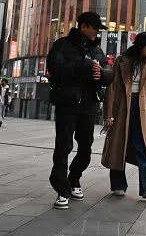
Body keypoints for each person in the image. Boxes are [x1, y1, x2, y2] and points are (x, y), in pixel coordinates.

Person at [46, 11, 113, 210]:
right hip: (67, 104)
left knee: (86, 148)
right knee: (63, 147)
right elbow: (54, 69)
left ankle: (74, 179)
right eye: (94, 29)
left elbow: (109, 75)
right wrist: (80, 67)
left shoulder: (97, 50)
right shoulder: (62, 45)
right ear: (83, 26)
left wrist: (102, 73)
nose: (96, 33)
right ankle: (62, 190)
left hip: (89, 105)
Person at [101, 32, 146, 198]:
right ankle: (118, 184)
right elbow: (112, 88)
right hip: (122, 107)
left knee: (141, 145)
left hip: (142, 107)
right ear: (140, 46)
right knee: (118, 144)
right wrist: (108, 114)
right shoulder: (121, 61)